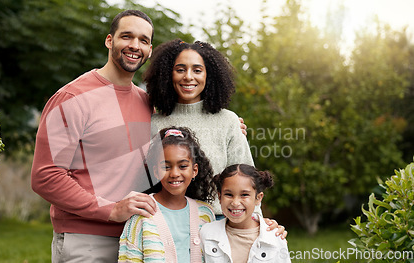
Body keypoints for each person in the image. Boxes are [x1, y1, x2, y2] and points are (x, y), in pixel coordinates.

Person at [31, 10, 285, 263]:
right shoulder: (72, 98)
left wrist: (259, 224)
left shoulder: (145, 104)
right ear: (109, 40)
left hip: (149, 232)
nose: (134, 45)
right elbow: (45, 176)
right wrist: (111, 210)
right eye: (126, 36)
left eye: (143, 40)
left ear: (150, 49)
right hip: (88, 238)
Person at [145, 39, 259, 219]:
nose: (188, 76)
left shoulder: (228, 121)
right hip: (168, 221)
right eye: (180, 69)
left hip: (219, 222)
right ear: (168, 74)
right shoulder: (153, 124)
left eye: (197, 70)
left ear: (209, 75)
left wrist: (256, 223)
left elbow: (247, 178)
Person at [118, 127, 216, 262]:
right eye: (166, 167)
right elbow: (129, 258)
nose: (175, 174)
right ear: (156, 172)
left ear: (194, 170)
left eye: (182, 166)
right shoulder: (142, 213)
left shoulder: (205, 214)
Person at [200, 164, 291, 263]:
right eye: (229, 194)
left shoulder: (274, 237)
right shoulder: (206, 233)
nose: (235, 203)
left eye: (244, 195)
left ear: (258, 198)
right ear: (220, 197)